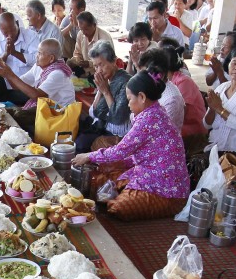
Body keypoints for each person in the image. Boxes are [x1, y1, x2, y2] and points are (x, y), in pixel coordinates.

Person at [72, 67, 190, 221]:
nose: (128, 104)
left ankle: (120, 197)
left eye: (129, 99)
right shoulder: (152, 112)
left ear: (141, 97)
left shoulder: (150, 119)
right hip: (145, 172)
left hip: (168, 191)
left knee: (118, 208)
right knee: (100, 181)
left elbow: (119, 151)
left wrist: (89, 156)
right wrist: (114, 163)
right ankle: (120, 193)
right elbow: (136, 153)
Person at [0, 38, 75, 133]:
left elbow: (36, 95)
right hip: (44, 107)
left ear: (51, 58)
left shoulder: (58, 73)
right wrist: (6, 74)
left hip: (58, 114)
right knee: (3, 112)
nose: (36, 56)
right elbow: (16, 85)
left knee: (15, 117)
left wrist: (10, 74)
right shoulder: (39, 66)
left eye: (40, 53)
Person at [76, 39, 132, 152]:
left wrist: (105, 91)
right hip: (103, 126)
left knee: (82, 144)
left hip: (118, 134)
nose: (99, 70)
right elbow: (94, 112)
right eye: (96, 67)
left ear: (114, 61)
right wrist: (101, 90)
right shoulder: (107, 79)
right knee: (77, 138)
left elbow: (118, 118)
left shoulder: (125, 82)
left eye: (101, 65)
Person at [158, 38, 207, 142]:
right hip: (180, 126)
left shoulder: (183, 82)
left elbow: (178, 114)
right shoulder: (167, 80)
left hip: (192, 132)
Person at [0, 12, 40, 102]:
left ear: (17, 24)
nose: (10, 34)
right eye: (6, 32)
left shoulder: (31, 36)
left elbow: (37, 60)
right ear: (0, 29)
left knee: (23, 98)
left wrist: (15, 53)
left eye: (12, 30)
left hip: (25, 85)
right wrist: (6, 54)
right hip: (5, 83)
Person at [138, 48, 184, 130]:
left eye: (145, 74)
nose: (142, 78)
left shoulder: (172, 100)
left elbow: (157, 131)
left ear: (160, 75)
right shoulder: (151, 86)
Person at [67, 11, 110, 77]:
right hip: (84, 70)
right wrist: (76, 60)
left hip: (100, 72)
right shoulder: (80, 34)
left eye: (86, 29)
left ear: (94, 25)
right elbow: (77, 53)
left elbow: (107, 61)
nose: (83, 32)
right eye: (81, 29)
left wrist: (89, 63)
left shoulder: (104, 38)